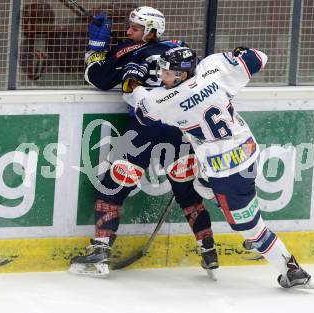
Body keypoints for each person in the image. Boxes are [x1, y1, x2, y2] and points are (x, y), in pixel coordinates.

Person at [122, 46, 314, 289]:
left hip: (227, 171)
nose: (163, 77)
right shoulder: (213, 68)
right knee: (201, 185)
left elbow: (142, 113)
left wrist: (135, 83)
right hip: (247, 150)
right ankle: (241, 216)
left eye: (167, 73)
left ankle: (292, 270)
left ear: (182, 75)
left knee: (249, 227)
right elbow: (259, 57)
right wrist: (238, 52)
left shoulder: (165, 100)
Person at [69, 7, 217, 277]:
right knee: (187, 193)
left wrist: (97, 47)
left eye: (135, 28)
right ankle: (208, 250)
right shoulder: (180, 49)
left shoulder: (128, 51)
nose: (128, 32)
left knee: (111, 189)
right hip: (177, 131)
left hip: (142, 129)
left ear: (151, 31)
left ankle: (100, 254)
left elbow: (97, 79)